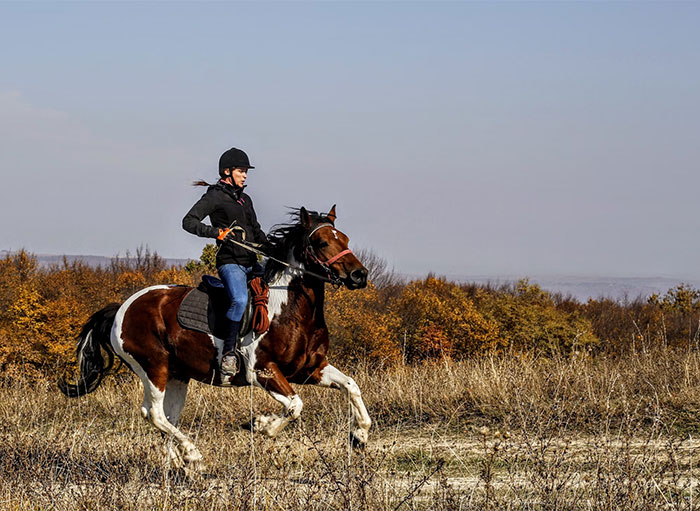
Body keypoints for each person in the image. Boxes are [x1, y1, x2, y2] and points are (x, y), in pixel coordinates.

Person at [182, 147, 268, 376]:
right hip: (230, 262)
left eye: (246, 172)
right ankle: (228, 353)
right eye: (242, 171)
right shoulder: (214, 196)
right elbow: (188, 222)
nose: (245, 175)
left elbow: (256, 231)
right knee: (239, 300)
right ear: (227, 172)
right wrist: (215, 232)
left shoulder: (245, 199)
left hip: (251, 261)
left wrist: (272, 248)